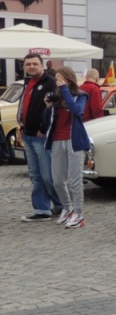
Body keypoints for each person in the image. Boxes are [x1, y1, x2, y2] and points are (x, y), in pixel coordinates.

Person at [17, 53, 63, 221]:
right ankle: (42, 210)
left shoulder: (50, 83)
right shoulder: (27, 83)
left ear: (42, 65)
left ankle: (61, 204)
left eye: (35, 64)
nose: (31, 67)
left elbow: (53, 109)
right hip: (28, 135)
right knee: (35, 176)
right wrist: (21, 125)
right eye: (28, 64)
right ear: (24, 66)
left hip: (41, 136)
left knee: (47, 176)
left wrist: (44, 129)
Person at [45, 67, 91, 228]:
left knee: (74, 180)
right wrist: (48, 106)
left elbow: (77, 111)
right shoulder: (57, 98)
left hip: (75, 141)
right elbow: (46, 122)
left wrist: (65, 90)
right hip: (57, 140)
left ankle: (79, 214)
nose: (57, 82)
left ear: (68, 79)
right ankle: (68, 208)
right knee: (57, 180)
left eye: (61, 79)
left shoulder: (81, 95)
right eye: (56, 79)